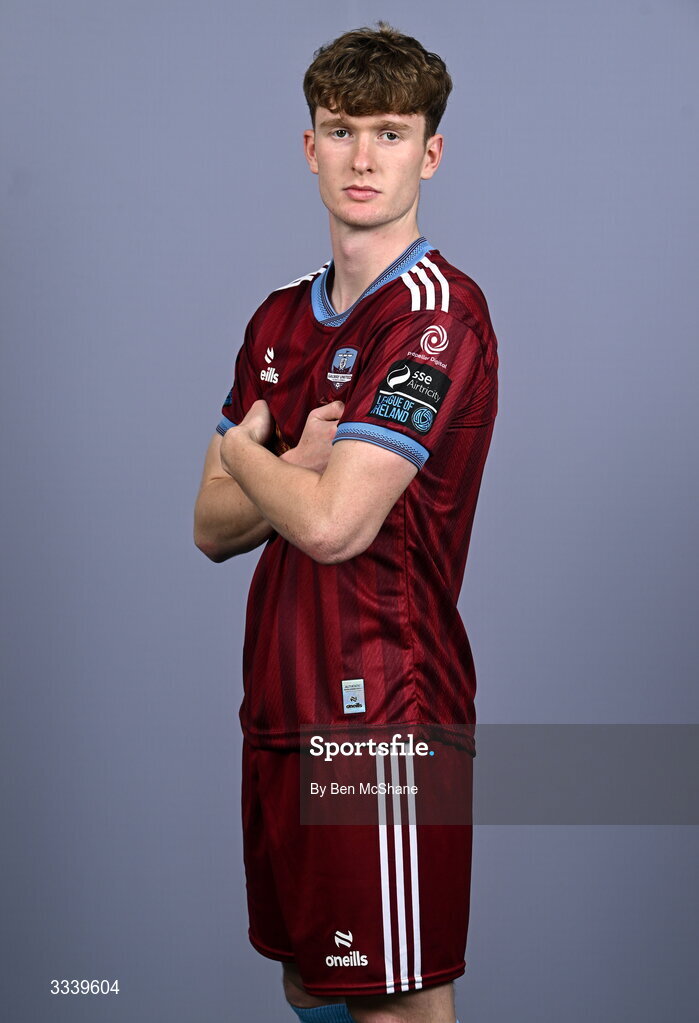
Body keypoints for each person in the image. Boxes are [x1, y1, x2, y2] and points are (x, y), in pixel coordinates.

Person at [194, 22, 498, 1023]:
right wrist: (290, 466)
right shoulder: (277, 318)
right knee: (306, 977)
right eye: (341, 130)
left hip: (386, 721)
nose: (363, 157)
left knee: (395, 999)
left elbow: (331, 526)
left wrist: (254, 456)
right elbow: (209, 526)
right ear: (309, 145)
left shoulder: (436, 315)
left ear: (430, 151)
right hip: (279, 704)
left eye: (390, 132)